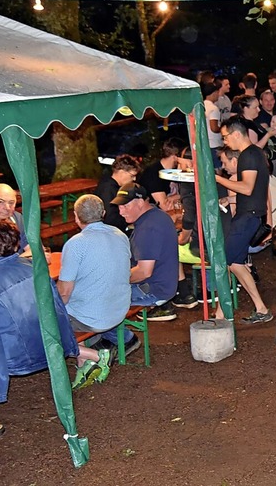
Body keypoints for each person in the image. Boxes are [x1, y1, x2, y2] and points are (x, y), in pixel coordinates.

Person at [0, 220, 78, 404]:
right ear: (17, 244)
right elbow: (58, 311)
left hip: (16, 358)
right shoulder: (36, 267)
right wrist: (68, 345)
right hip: (50, 346)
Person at [57, 195, 133, 384]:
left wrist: (51, 310)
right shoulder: (119, 234)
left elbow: (64, 292)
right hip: (119, 308)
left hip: (92, 317)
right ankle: (85, 366)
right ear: (104, 213)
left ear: (76, 216)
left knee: (46, 324)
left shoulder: (75, 244)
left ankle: (96, 356)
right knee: (74, 305)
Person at [216, 118, 272, 324]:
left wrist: (217, 179)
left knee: (222, 263)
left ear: (236, 134)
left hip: (247, 217)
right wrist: (230, 198)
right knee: (236, 264)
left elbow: (247, 188)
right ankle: (261, 308)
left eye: (225, 137)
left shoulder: (248, 156)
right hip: (250, 215)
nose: (225, 141)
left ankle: (220, 316)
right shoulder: (255, 153)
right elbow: (255, 191)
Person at [112, 183, 185, 321]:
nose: (121, 212)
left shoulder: (147, 229)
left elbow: (144, 272)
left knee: (94, 299)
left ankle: (124, 339)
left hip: (151, 291)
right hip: (165, 286)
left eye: (125, 206)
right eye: (119, 207)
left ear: (140, 203)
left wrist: (114, 281)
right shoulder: (159, 215)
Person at [94, 154, 141, 232]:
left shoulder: (109, 183)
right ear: (122, 172)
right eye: (132, 175)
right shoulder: (108, 189)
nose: (134, 179)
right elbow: (110, 219)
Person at [137, 137, 183, 212]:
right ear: (175, 157)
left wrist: (175, 198)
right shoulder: (153, 173)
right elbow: (165, 206)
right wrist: (182, 197)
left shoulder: (173, 171)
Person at [0, 183, 28, 253]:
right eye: (1, 202)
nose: (7, 208)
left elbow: (34, 250)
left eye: (11, 203)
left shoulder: (18, 218)